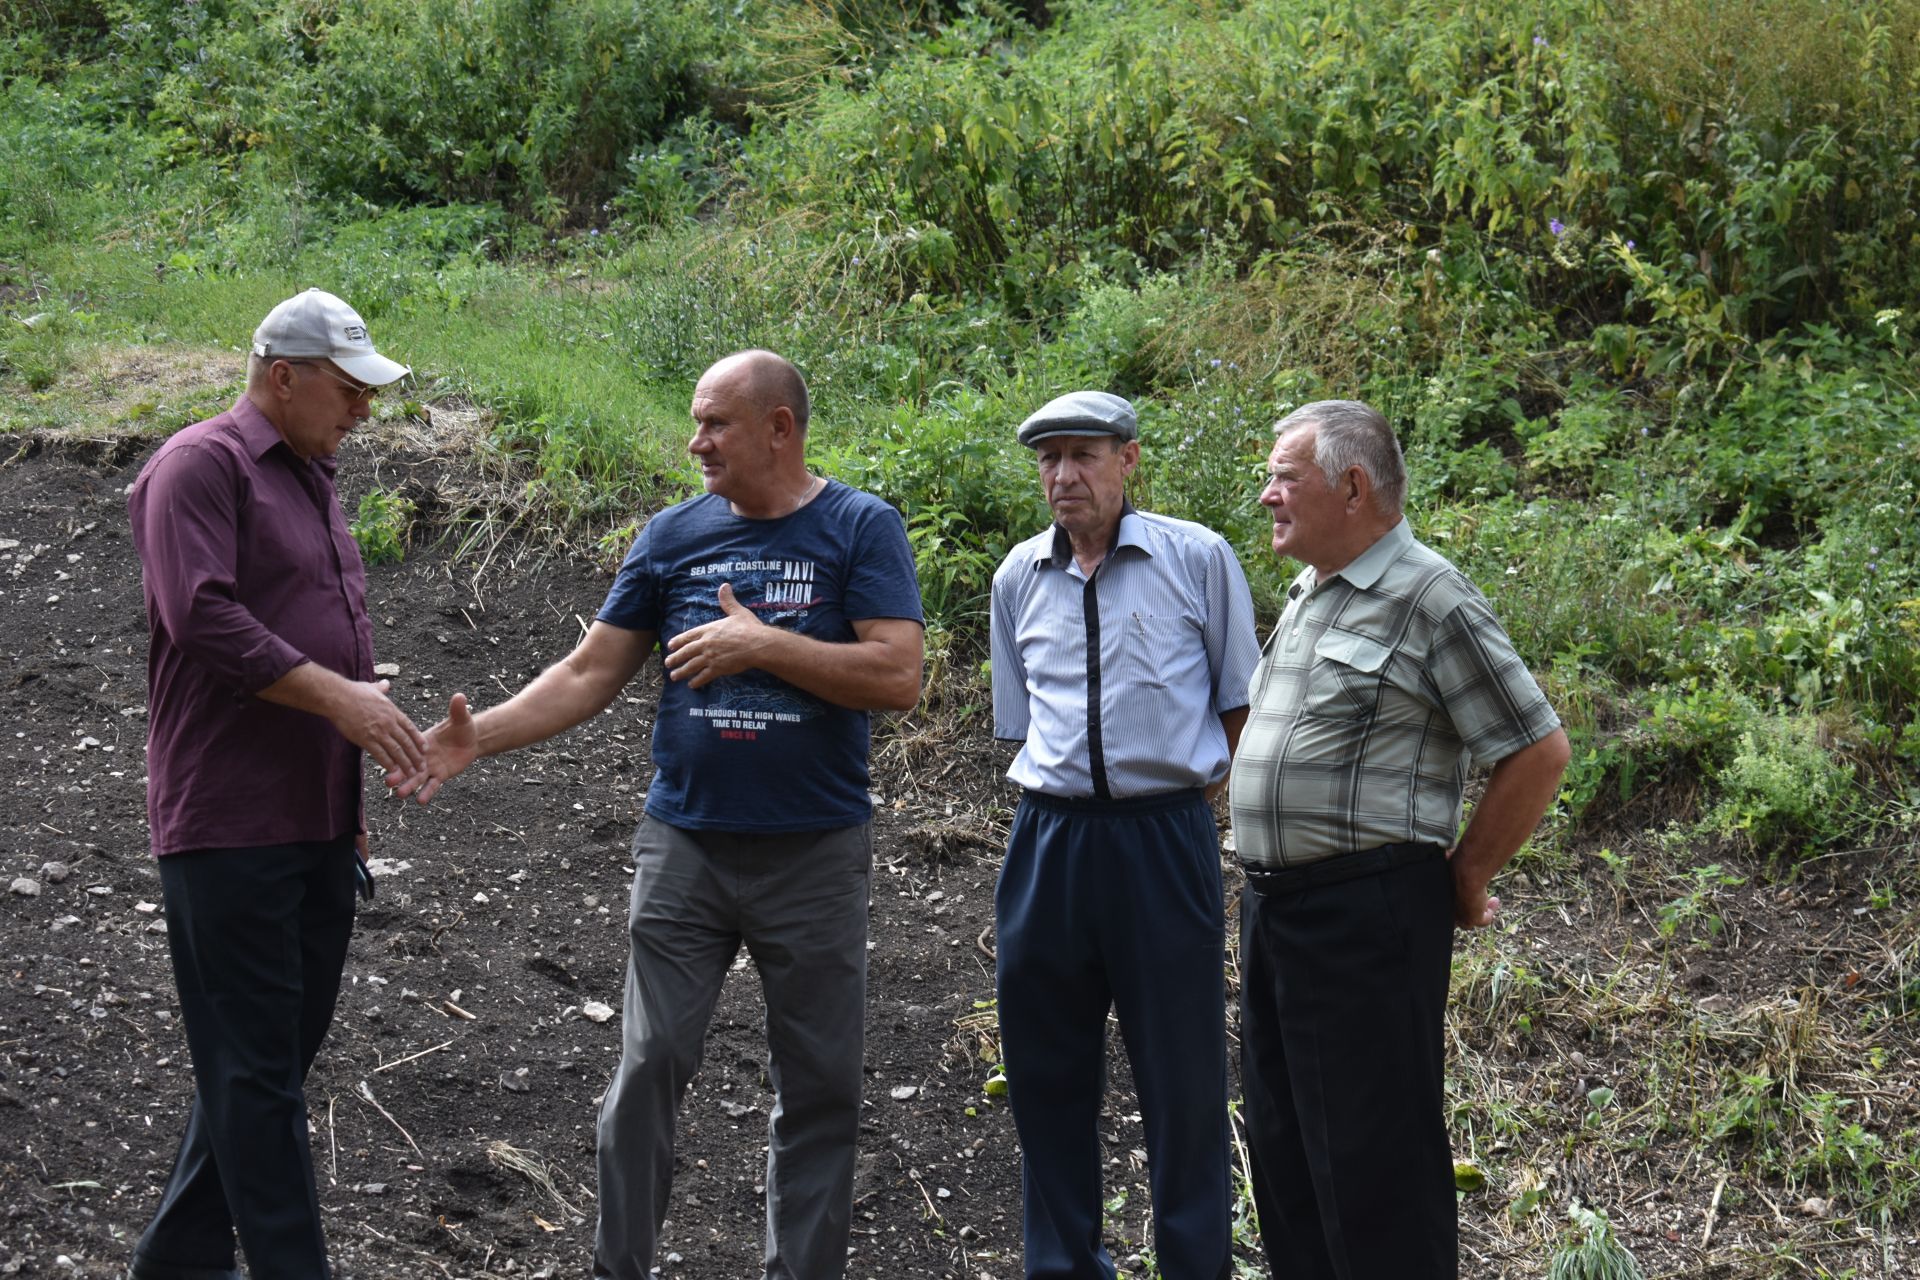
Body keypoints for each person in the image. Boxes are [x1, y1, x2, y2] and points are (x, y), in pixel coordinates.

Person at [390, 350, 924, 1280]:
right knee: (648, 1068)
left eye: (716, 422)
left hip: (815, 852)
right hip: (686, 845)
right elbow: (591, 671)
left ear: (779, 428)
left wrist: (766, 644)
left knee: (821, 1088)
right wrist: (482, 738)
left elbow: (897, 675)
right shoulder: (673, 536)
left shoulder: (859, 528)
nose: (696, 441)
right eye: (696, 420)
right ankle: (619, 1265)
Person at [1228, 400, 1571, 1279]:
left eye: (1283, 477)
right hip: (1275, 914)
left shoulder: (1428, 595)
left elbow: (1535, 749)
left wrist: (1469, 873)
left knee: (1375, 1175)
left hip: (1365, 918)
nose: (1268, 496)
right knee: (1289, 1162)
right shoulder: (1312, 592)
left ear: (1351, 485)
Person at [125, 288, 425, 1280]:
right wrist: (344, 703)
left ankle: (173, 1264)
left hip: (314, 821)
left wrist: (350, 799)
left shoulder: (313, 476)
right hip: (227, 822)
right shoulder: (198, 466)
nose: (362, 410)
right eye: (348, 389)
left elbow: (340, 632)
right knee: (257, 1077)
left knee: (259, 1072)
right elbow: (201, 616)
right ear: (281, 375)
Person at [988, 391, 1260, 1280]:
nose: (1063, 477)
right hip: (1050, 843)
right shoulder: (1017, 576)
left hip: (1162, 840)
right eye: (1048, 460)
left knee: (1182, 1076)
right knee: (1044, 1071)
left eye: (1083, 456)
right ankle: (1062, 1265)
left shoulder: (1198, 558)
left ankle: (1194, 1266)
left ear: (1129, 460)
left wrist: (1188, 792)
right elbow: (1021, 724)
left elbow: (1239, 705)